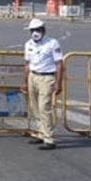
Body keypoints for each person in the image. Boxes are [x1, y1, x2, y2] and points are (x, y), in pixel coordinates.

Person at [21, 18, 64, 150]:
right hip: (33, 76)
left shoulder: (52, 43)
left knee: (44, 108)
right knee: (34, 107)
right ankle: (40, 133)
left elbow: (59, 64)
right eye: (33, 30)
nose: (35, 32)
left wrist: (58, 83)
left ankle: (49, 139)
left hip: (47, 78)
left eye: (38, 30)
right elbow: (28, 64)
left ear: (44, 30)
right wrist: (24, 82)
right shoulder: (28, 44)